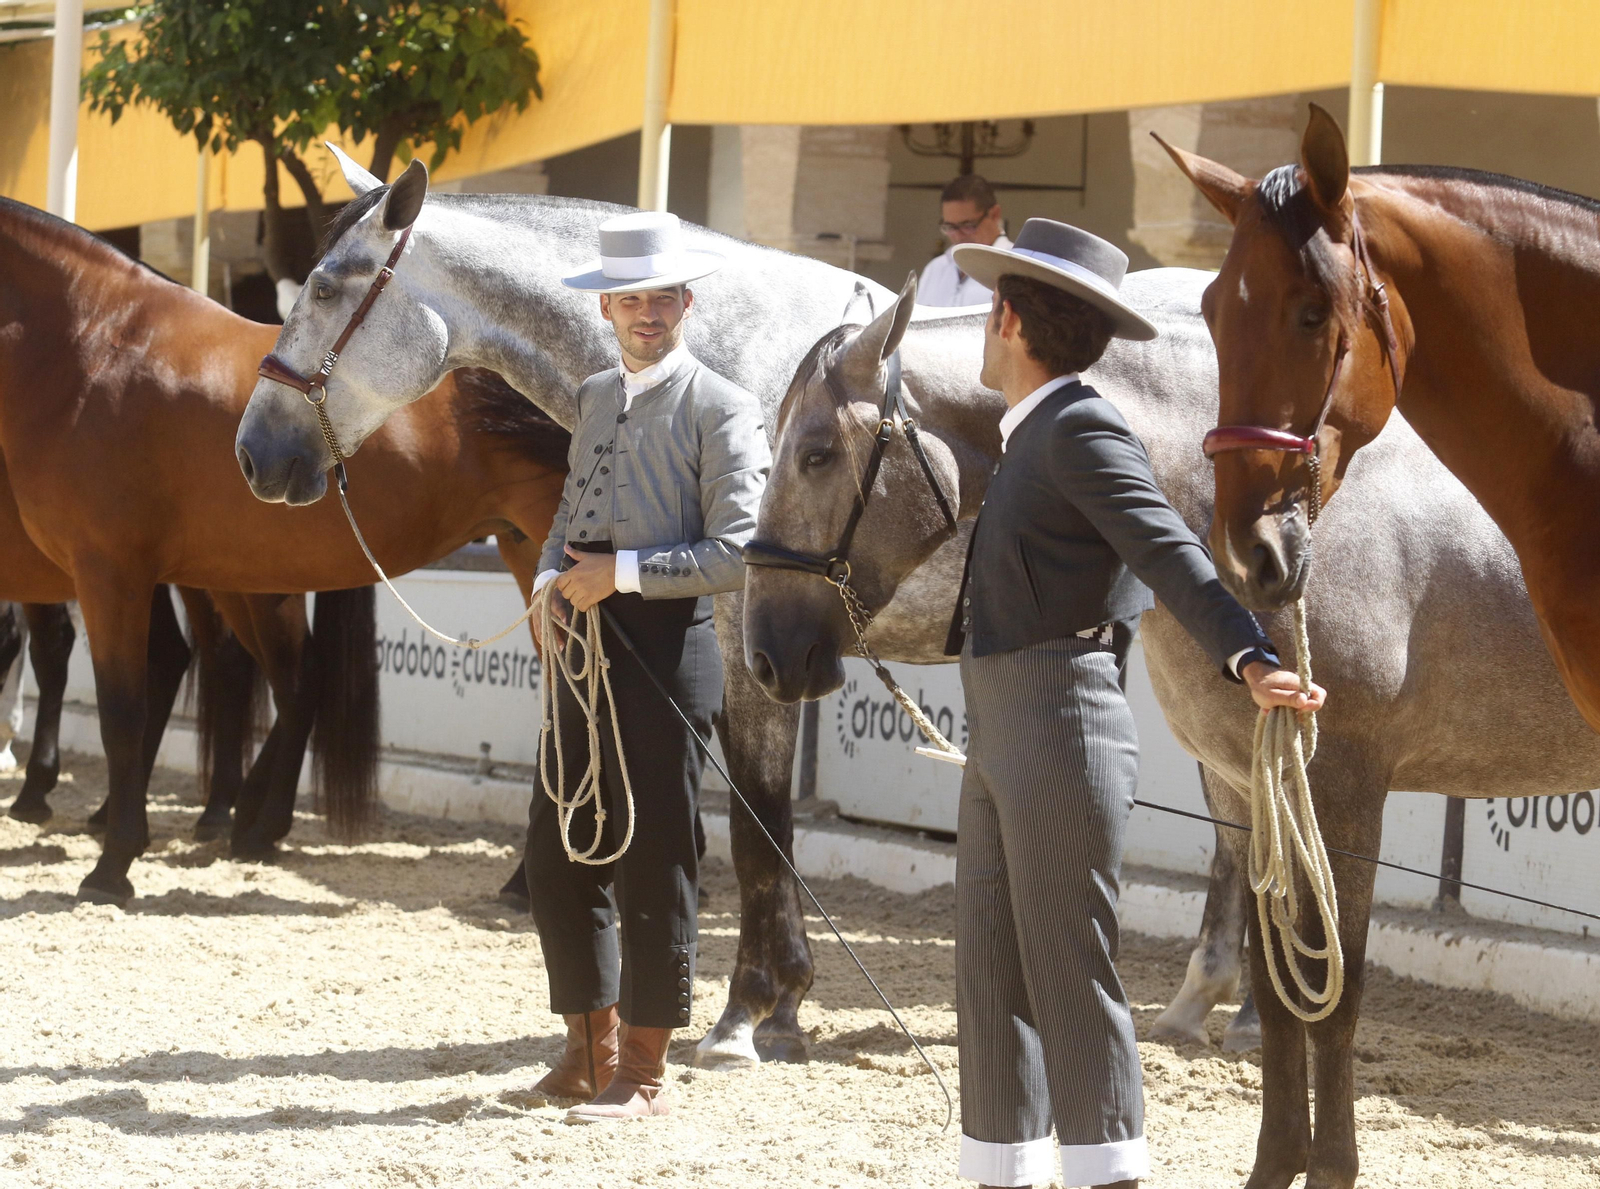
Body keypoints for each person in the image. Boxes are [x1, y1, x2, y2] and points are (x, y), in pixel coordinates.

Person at [943, 219, 1327, 1188]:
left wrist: (1249, 654)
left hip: (1060, 718)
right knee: (990, 965)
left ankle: (1108, 1173)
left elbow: (1170, 552)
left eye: (989, 313)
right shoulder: (1037, 432)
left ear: (1009, 320)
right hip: (1005, 715)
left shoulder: (1080, 426)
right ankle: (1003, 1169)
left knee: (1067, 968)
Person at [521, 211, 770, 1124]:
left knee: (654, 856)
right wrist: (548, 580)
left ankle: (644, 1072)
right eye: (631, 299)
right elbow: (568, 510)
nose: (648, 313)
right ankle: (587, 1051)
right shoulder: (594, 396)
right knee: (557, 846)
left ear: (686, 304)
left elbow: (738, 550)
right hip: (583, 646)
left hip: (668, 651)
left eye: (662, 297)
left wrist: (616, 574)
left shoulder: (722, 405)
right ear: (607, 309)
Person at [919, 174, 1012, 307]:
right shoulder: (935, 269)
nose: (958, 236)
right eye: (950, 227)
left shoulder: (1014, 267)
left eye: (968, 226)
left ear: (994, 214)